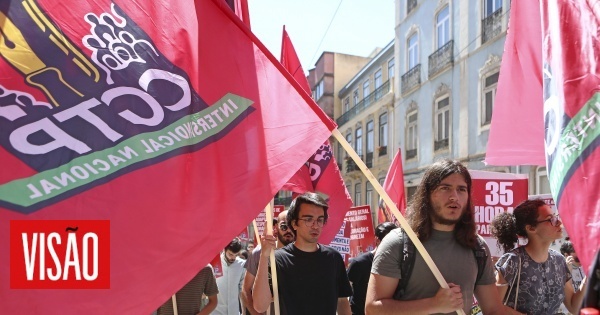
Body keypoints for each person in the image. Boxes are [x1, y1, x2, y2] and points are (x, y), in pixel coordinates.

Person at [365, 159, 517, 314]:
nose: (454, 197)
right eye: (445, 188)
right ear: (427, 194)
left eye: (462, 189)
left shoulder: (477, 246)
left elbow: (493, 310)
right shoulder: (398, 243)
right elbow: (373, 309)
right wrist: (433, 304)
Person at [253, 192, 353, 314]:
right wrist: (264, 256)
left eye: (320, 220)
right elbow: (260, 306)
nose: (315, 225)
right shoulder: (278, 259)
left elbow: (342, 301)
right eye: (308, 219)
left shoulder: (333, 258)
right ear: (294, 223)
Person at [492, 199, 587, 314]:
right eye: (550, 219)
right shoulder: (513, 261)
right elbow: (493, 308)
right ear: (531, 228)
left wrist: (589, 274)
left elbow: (573, 306)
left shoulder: (559, 260)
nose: (558, 222)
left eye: (555, 217)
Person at [241, 212, 295, 314]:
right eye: (284, 226)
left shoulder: (301, 255)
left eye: (292, 226)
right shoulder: (259, 252)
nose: (288, 230)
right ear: (276, 227)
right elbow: (246, 290)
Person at [347, 222, 396, 315]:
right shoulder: (359, 263)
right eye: (390, 242)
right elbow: (343, 292)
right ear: (377, 240)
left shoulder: (398, 264)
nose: (394, 247)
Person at [214, 238, 246, 315]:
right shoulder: (215, 263)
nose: (233, 258)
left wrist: (244, 312)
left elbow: (242, 291)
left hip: (234, 311)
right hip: (215, 311)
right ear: (224, 250)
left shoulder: (242, 265)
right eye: (230, 254)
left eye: (236, 255)